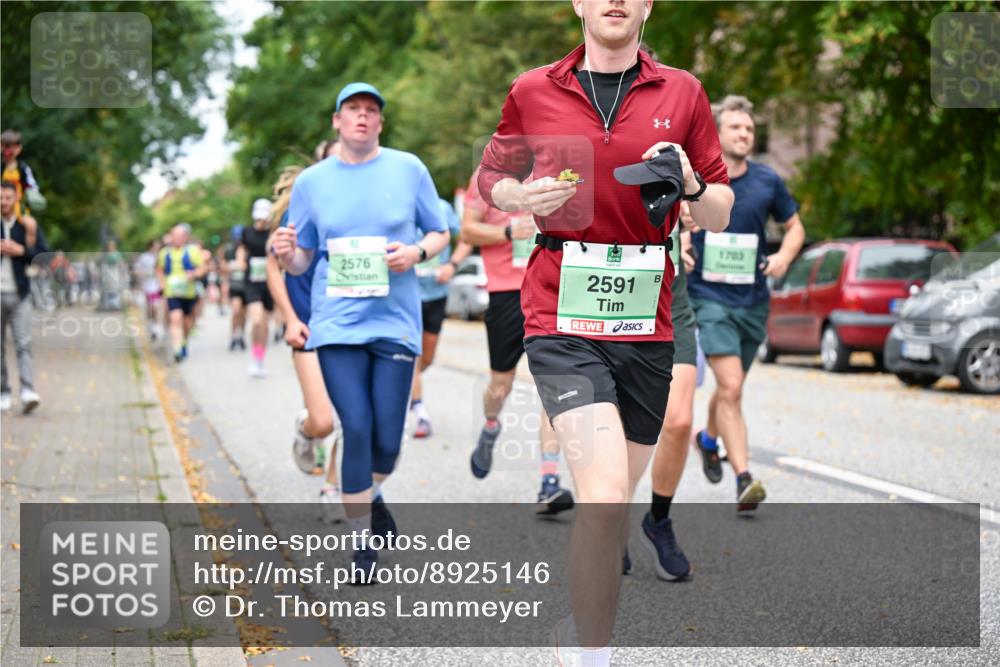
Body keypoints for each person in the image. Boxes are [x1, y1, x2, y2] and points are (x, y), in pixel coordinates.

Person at [477, 0, 732, 659]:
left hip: (647, 321)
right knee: (605, 491)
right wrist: (517, 198)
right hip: (560, 313)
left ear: (646, 5)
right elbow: (492, 177)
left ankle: (580, 631)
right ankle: (593, 650)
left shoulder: (683, 91)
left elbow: (723, 210)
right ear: (580, 4)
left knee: (612, 502)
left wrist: (692, 182)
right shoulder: (534, 90)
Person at [273, 82, 449, 577]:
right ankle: (361, 546)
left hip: (394, 320)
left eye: (372, 111)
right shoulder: (312, 182)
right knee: (357, 427)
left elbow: (439, 232)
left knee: (388, 440)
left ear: (379, 123)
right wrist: (289, 257)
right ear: (337, 121)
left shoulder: (408, 169)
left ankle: (370, 493)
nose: (363, 117)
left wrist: (417, 252)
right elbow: (303, 255)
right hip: (336, 324)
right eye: (353, 109)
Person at [688, 94, 805, 511]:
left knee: (729, 387)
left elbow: (794, 229)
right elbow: (673, 218)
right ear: (717, 133)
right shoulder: (698, 178)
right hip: (708, 296)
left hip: (753, 300)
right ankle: (743, 478)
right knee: (732, 386)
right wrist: (682, 243)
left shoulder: (767, 182)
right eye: (736, 127)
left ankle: (707, 438)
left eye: (750, 129)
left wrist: (783, 258)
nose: (745, 134)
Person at [461, 165, 574, 515]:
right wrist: (509, 230)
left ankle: (549, 481)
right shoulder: (488, 174)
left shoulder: (559, 167)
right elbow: (467, 229)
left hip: (552, 288)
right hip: (507, 293)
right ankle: (491, 425)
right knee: (500, 386)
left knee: (553, 386)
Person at [266, 160, 345, 521]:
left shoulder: (354, 216)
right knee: (323, 421)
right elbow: (273, 268)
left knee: (353, 418)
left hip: (347, 326)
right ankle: (305, 429)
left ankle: (332, 488)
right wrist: (290, 318)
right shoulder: (294, 222)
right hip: (308, 327)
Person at [410, 197, 473, 438]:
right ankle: (419, 411)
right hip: (408, 294)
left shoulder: (442, 208)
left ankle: (406, 384)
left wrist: (452, 265)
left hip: (437, 292)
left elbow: (466, 238)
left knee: (427, 358)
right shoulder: (398, 203)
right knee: (412, 355)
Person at [1, 181, 46, 413]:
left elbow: (42, 256)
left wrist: (22, 251)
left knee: (23, 343)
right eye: (1, 198)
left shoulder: (26, 225)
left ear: (16, 198)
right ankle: (3, 391)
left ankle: (28, 390)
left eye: (8, 197)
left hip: (21, 294)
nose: (4, 202)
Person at [157, 223, 205, 363]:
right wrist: (162, 283)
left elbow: (203, 268)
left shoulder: (192, 251)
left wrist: (194, 274)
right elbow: (159, 270)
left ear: (185, 237)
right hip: (172, 293)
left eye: (180, 236)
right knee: (175, 318)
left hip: (189, 293)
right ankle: (177, 349)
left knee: (187, 323)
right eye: (174, 235)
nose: (177, 238)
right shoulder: (164, 253)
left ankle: (184, 342)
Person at [239, 199, 275, 378]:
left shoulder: (273, 233)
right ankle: (254, 359)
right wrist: (240, 262)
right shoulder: (246, 232)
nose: (261, 222)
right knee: (257, 319)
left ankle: (260, 358)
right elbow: (242, 250)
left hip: (270, 283)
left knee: (265, 325)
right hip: (252, 282)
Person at [1, 130, 43, 219]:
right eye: (5, 146)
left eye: (12, 147)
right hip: (2, 204)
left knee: (29, 225)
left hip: (19, 206)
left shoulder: (23, 168)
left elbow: (32, 186)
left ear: (18, 148)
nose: (8, 151)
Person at [221, 226, 247, 351]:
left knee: (243, 313)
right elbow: (223, 266)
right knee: (236, 310)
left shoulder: (248, 249)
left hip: (247, 285)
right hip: (234, 285)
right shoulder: (228, 249)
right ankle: (233, 336)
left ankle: (241, 335)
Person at [135, 239, 164, 340]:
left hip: (160, 285)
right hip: (149, 286)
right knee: (151, 307)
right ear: (151, 246)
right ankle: (152, 326)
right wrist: (146, 274)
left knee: (157, 307)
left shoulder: (162, 256)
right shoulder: (144, 257)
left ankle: (157, 327)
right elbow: (137, 271)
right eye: (156, 245)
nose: (157, 247)